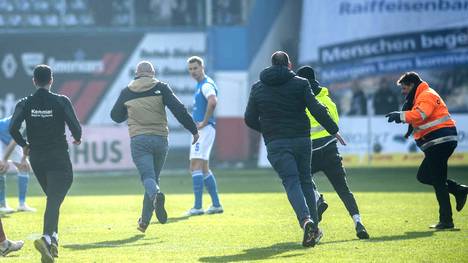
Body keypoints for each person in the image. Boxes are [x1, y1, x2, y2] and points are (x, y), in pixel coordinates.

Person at [244, 51, 345, 247]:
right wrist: (334, 130)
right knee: (306, 180)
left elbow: (249, 118)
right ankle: (313, 229)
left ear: (272, 64)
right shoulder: (301, 83)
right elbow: (317, 109)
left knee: (291, 181)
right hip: (301, 140)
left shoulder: (258, 88)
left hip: (276, 143)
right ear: (289, 65)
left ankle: (305, 220)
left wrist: (268, 131)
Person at [111, 61, 199, 232]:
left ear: (137, 73)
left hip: (139, 140)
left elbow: (115, 116)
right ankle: (144, 222)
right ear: (152, 73)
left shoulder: (127, 91)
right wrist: (193, 130)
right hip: (160, 140)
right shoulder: (161, 87)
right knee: (153, 180)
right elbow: (178, 109)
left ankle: (155, 198)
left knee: (148, 178)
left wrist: (129, 111)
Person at [9, 64, 82, 263]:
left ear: (34, 81)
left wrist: (24, 144)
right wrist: (77, 137)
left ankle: (54, 241)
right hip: (58, 156)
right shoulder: (61, 101)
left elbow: (13, 128)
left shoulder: (25, 103)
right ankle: (47, 237)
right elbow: (75, 126)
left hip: (37, 158)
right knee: (55, 198)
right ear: (51, 80)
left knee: (53, 198)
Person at [386, 71, 468, 229]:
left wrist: (401, 116)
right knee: (424, 176)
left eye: (404, 88)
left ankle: (447, 221)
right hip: (439, 142)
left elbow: (421, 115)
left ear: (411, 85)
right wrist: (403, 116)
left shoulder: (426, 95)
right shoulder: (421, 95)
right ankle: (458, 190)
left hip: (440, 141)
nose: (402, 92)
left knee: (437, 181)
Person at [297, 66, 369, 239]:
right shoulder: (329, 101)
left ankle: (318, 199)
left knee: (300, 178)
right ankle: (358, 223)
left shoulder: (300, 100)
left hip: (311, 151)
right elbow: (334, 125)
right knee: (344, 190)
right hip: (330, 150)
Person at [185, 56, 223, 216]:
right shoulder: (201, 84)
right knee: (204, 168)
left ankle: (198, 206)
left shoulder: (206, 84)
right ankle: (216, 205)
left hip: (204, 130)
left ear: (202, 67)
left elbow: (212, 101)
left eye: (195, 68)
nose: (193, 71)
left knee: (195, 166)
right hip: (205, 130)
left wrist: (203, 122)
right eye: (191, 69)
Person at [0, 116, 36, 213]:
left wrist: (24, 159)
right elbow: (13, 142)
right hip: (1, 134)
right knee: (1, 167)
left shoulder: (37, 120)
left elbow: (28, 143)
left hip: (11, 140)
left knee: (24, 168)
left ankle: (22, 204)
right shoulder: (23, 119)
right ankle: (2, 204)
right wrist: (4, 160)